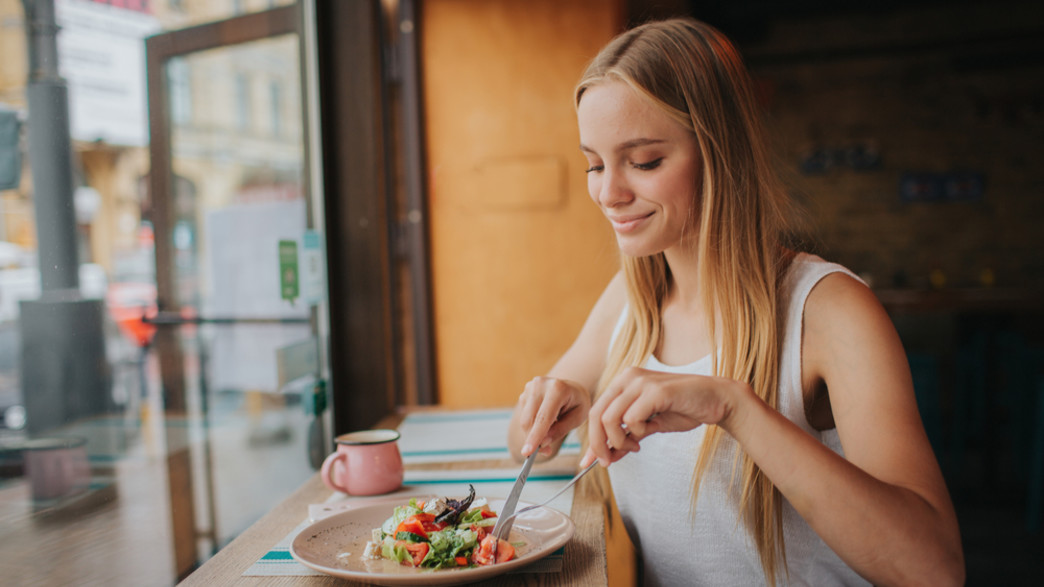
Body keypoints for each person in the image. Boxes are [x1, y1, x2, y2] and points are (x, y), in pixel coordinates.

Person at [506, 17, 964, 587]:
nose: (608, 192)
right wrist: (554, 404)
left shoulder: (829, 309)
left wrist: (735, 408)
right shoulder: (630, 300)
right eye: (595, 164)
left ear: (721, 152)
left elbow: (934, 569)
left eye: (644, 161)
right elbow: (529, 445)